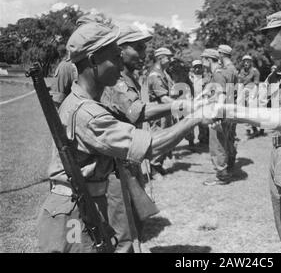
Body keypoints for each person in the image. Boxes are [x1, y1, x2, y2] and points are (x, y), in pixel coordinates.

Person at [37, 22, 212, 253]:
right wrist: (196, 117)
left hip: (83, 204)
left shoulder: (86, 103)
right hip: (74, 212)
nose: (121, 64)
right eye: (114, 57)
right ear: (91, 61)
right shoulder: (88, 114)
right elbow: (151, 145)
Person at [218, 11, 281, 252]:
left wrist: (228, 111)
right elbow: (258, 107)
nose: (265, 44)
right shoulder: (277, 75)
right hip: (279, 153)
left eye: (269, 37)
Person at [201, 48, 238, 186]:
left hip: (220, 114)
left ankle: (222, 176)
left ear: (209, 60)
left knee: (217, 145)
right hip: (229, 112)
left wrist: (216, 116)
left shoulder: (217, 74)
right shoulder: (226, 72)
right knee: (226, 142)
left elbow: (221, 95)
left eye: (203, 59)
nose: (202, 62)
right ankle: (227, 169)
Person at [147, 47, 177, 176]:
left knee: (166, 139)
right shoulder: (155, 75)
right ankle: (154, 167)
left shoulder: (164, 73)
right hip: (159, 114)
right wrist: (183, 106)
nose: (171, 60)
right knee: (159, 139)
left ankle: (159, 165)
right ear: (160, 58)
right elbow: (163, 98)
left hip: (166, 112)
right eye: (168, 57)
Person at [238, 55, 262, 137]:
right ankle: (248, 129)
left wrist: (253, 97)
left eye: (248, 61)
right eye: (244, 61)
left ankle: (258, 129)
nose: (246, 63)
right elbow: (240, 83)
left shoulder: (255, 71)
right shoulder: (242, 71)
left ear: (251, 62)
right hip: (244, 92)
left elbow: (256, 84)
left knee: (253, 111)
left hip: (252, 92)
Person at [189, 59, 210, 145]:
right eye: (195, 67)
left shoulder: (206, 78)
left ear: (202, 68)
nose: (197, 69)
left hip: (203, 103)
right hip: (191, 103)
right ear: (192, 68)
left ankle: (203, 139)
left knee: (203, 122)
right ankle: (190, 141)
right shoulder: (189, 78)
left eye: (199, 67)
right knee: (190, 123)